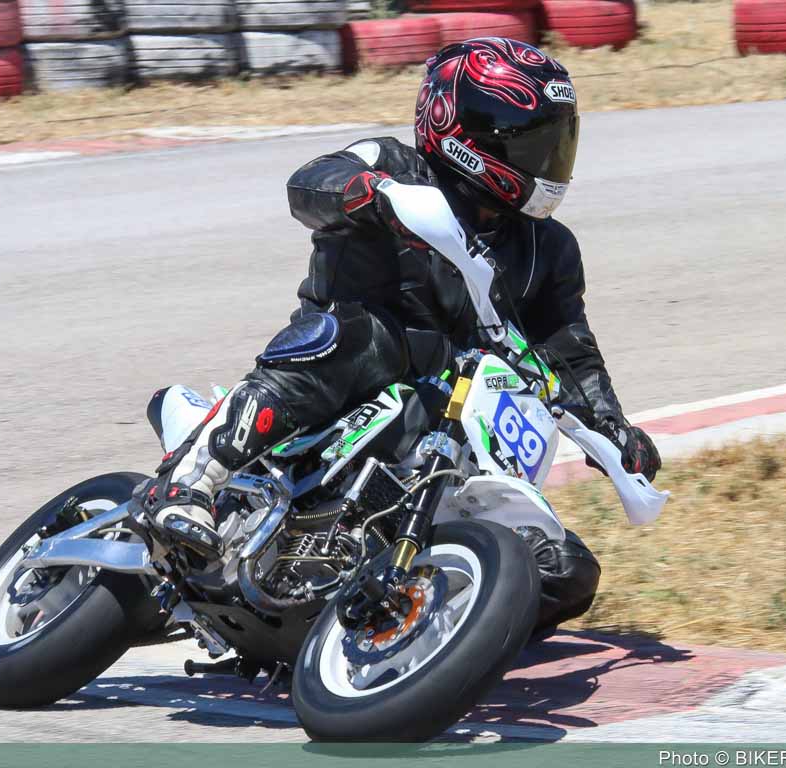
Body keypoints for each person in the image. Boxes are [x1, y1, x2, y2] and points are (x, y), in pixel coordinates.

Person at [143, 38, 659, 629]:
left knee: (567, 571)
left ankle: (411, 632)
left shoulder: (550, 248)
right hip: (351, 370)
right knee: (362, 338)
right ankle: (192, 480)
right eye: (527, 143)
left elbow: (570, 349)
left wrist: (617, 429)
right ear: (464, 133)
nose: (548, 160)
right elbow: (309, 184)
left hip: (455, 413)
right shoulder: (393, 164)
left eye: (557, 142)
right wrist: (369, 195)